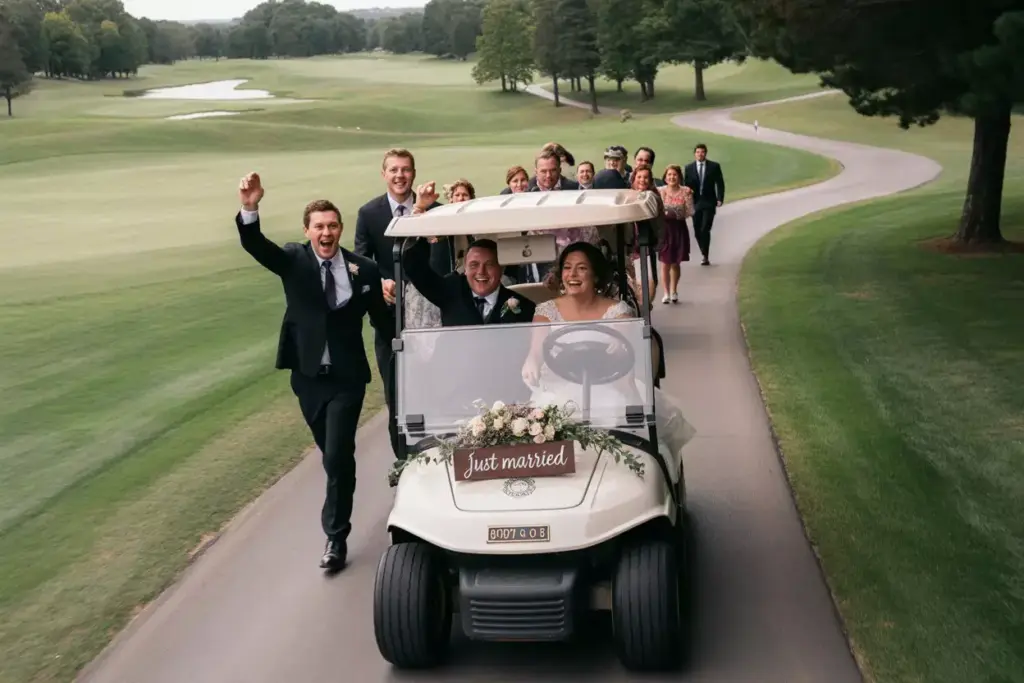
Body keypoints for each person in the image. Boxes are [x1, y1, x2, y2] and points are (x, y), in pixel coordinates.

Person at [234, 172, 393, 572]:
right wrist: (250, 207)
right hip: (306, 378)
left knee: (338, 453)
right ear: (308, 231)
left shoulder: (364, 269)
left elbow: (381, 322)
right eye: (319, 226)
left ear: (340, 229)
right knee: (332, 457)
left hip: (347, 379)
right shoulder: (293, 261)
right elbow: (255, 244)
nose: (327, 232)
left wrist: (407, 348)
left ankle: (335, 538)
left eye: (333, 225)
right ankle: (343, 483)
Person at [353, 148, 442, 460]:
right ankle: (403, 463)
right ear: (384, 174)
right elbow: (360, 262)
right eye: (394, 170)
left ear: (413, 173)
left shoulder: (435, 210)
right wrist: (379, 281)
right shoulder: (369, 214)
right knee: (396, 396)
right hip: (388, 319)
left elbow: (442, 262)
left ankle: (438, 455)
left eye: (405, 169)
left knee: (433, 388)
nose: (400, 175)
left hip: (431, 318)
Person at [402, 182, 536, 327]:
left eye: (489, 265)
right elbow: (415, 268)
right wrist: (419, 212)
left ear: (501, 268)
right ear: (464, 268)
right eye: (474, 265)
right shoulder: (450, 291)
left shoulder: (525, 307)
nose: (481, 272)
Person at [683, 143, 726, 266]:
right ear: (694, 154)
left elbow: (720, 183)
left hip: (709, 201)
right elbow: (686, 186)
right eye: (698, 152)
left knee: (705, 228)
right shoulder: (689, 168)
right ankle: (703, 250)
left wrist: (720, 198)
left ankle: (705, 256)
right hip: (695, 202)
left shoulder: (714, 166)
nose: (700, 154)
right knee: (697, 230)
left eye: (702, 152)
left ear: (705, 153)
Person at [657, 164, 694, 303]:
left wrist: (677, 211)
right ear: (665, 177)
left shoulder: (686, 191)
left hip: (678, 228)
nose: (672, 177)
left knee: (675, 262)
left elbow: (690, 211)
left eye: (675, 175)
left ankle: (674, 290)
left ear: (679, 177)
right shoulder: (660, 191)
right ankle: (666, 293)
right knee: (665, 262)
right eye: (669, 175)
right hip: (664, 229)